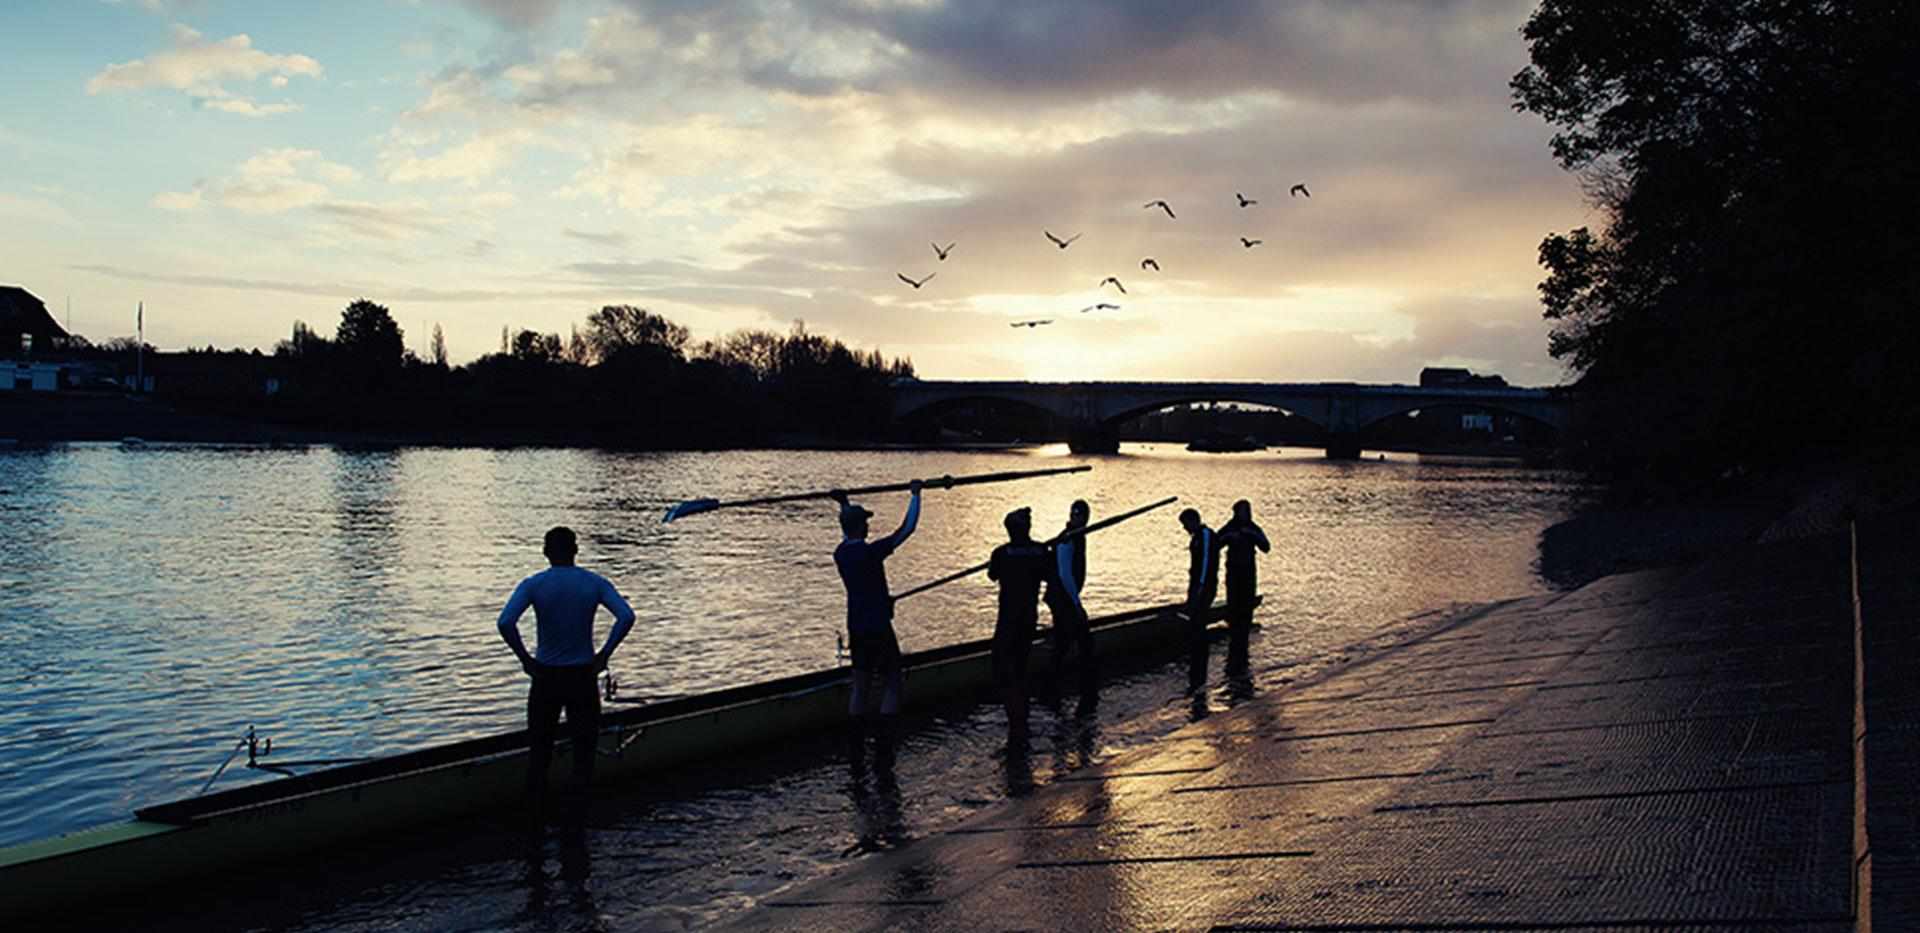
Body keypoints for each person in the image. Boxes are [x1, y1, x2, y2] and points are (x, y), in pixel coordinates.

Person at [497, 526, 637, 798]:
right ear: (575, 550)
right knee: (583, 755)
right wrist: (605, 654)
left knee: (540, 752)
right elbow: (626, 616)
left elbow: (505, 622)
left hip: (546, 677)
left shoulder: (534, 584)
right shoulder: (594, 583)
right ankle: (576, 818)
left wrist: (525, 659)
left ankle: (537, 818)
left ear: (545, 552)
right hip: (582, 676)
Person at [832, 479, 922, 735]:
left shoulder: (841, 554)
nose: (869, 524)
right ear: (862, 526)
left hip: (857, 627)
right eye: (866, 522)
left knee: (860, 685)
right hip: (878, 626)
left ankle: (857, 739)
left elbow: (847, 533)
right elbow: (907, 529)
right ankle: (885, 738)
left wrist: (844, 503)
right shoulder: (872, 552)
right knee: (893, 680)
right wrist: (916, 495)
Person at [988, 507, 1059, 735]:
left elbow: (992, 575)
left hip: (1007, 620)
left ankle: (1015, 715)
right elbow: (1050, 575)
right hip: (1028, 618)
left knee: (1003, 665)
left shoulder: (1001, 553)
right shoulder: (1040, 551)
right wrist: (1050, 551)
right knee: (1020, 665)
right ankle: (1021, 712)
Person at [1044, 500, 1098, 702]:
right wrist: (1076, 604)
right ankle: (1072, 686)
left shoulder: (1077, 536)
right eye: (1077, 516)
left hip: (1064, 597)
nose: (1081, 520)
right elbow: (1065, 573)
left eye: (1082, 516)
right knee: (1081, 639)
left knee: (1065, 639)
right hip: (1062, 597)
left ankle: (1053, 684)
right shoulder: (1067, 539)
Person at [1215, 499, 1272, 674]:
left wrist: (1251, 534)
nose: (1244, 514)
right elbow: (1216, 543)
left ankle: (1243, 635)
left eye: (1246, 511)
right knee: (1234, 606)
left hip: (1248, 572)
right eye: (1242, 511)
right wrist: (1229, 538)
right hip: (1233, 572)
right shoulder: (1229, 527)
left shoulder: (1253, 528)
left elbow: (1266, 547)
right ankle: (1235, 634)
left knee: (1246, 609)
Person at [1178, 507, 1221, 689]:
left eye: (1185, 524)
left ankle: (1200, 659)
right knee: (1195, 620)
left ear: (1193, 521)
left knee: (1199, 621)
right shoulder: (1196, 537)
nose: (1184, 529)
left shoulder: (1205, 535)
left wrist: (1200, 588)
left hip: (1204, 586)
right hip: (1197, 585)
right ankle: (1196, 656)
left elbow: (1204, 564)